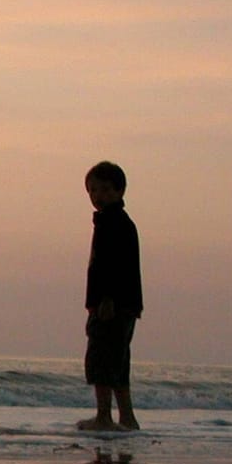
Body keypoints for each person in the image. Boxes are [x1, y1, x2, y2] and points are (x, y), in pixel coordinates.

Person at [79, 160, 143, 431]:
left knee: (101, 360)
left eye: (105, 190)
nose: (98, 196)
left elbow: (111, 266)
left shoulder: (112, 224)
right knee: (118, 362)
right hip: (125, 304)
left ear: (119, 192)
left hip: (112, 305)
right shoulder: (117, 222)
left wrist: (106, 300)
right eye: (93, 190)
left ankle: (104, 415)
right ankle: (126, 417)